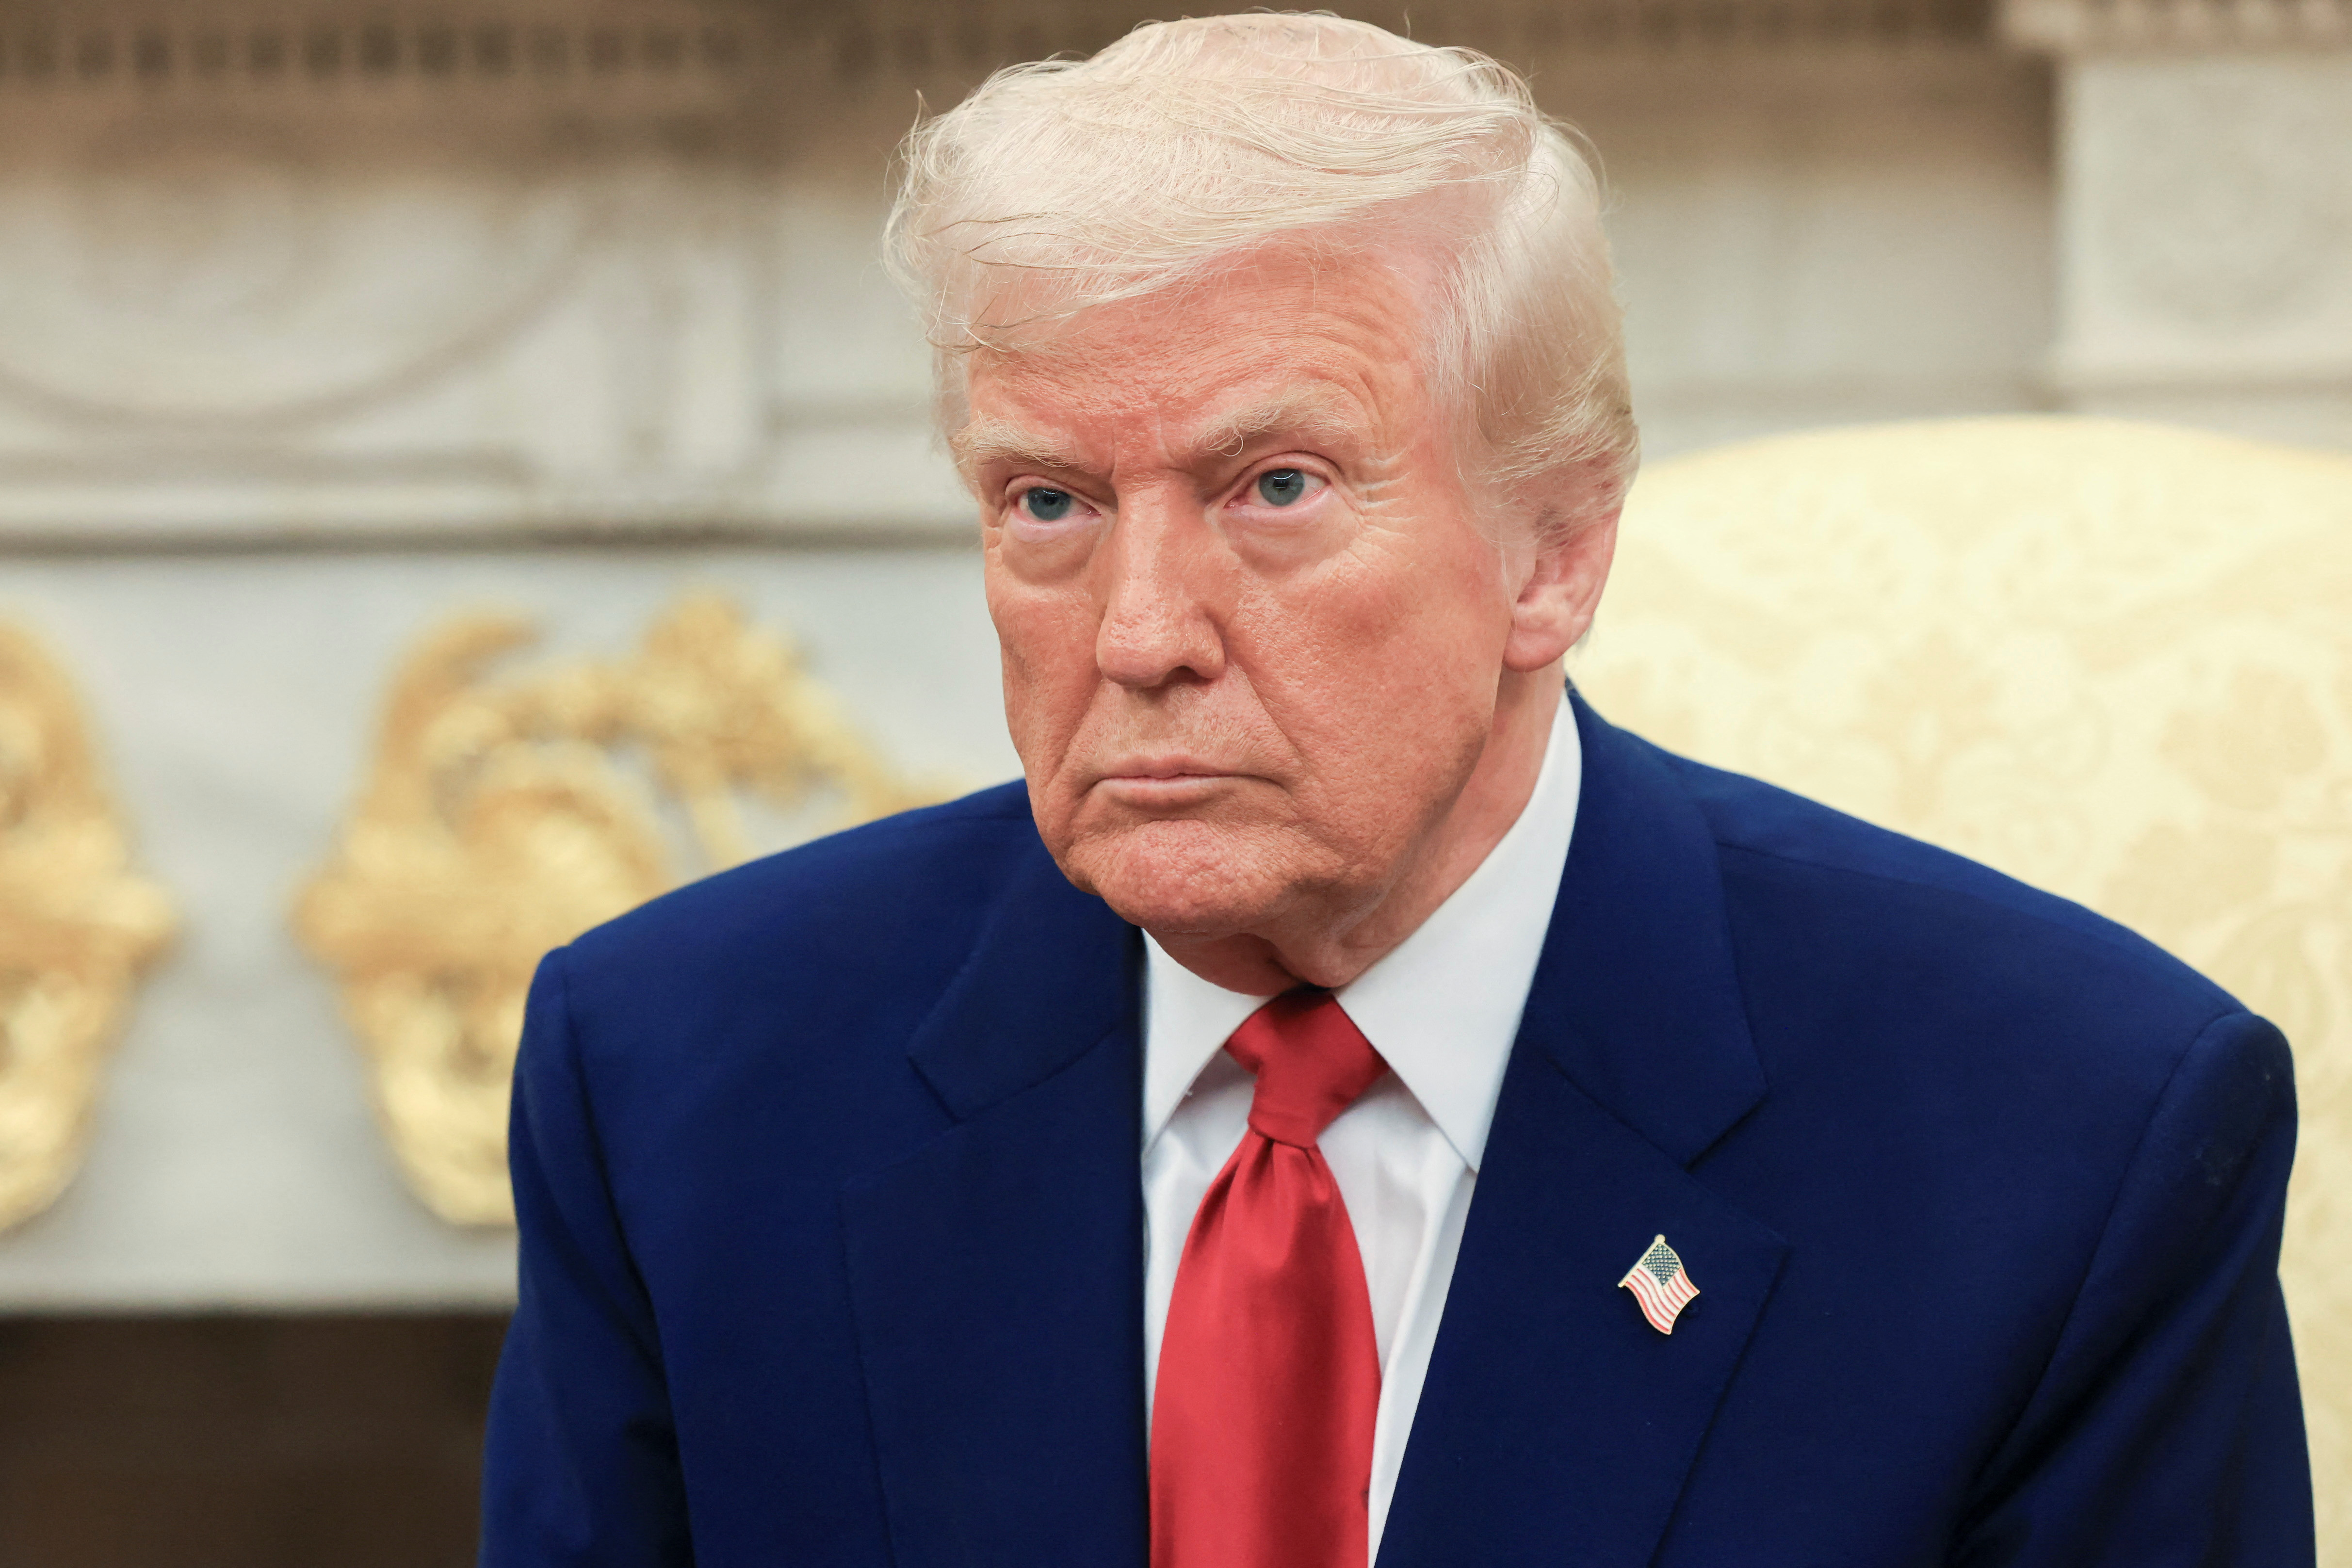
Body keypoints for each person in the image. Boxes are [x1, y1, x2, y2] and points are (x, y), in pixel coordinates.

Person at [478, 15, 2312, 1566]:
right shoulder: (674, 1083)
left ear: (1555, 555)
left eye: (1273, 486)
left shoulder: (2066, 1139)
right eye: (1050, 500)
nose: (1136, 634)